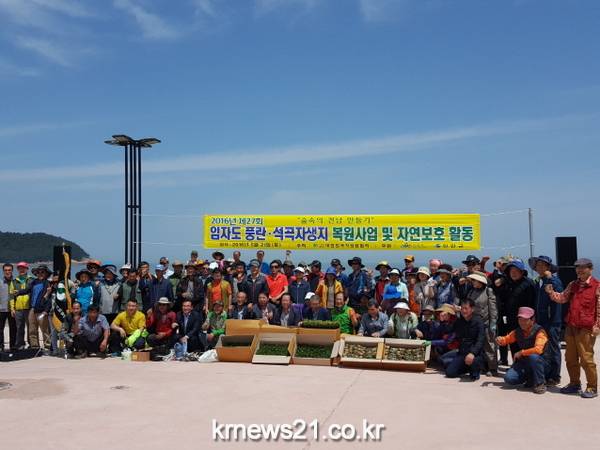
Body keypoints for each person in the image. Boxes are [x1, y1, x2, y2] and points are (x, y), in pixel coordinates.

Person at [546, 258, 599, 399]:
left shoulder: (597, 286)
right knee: (570, 358)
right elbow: (562, 298)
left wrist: (597, 326)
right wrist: (551, 293)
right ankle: (574, 384)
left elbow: (599, 309)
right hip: (571, 326)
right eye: (577, 268)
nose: (579, 270)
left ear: (590, 269)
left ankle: (592, 387)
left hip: (586, 328)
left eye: (583, 267)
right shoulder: (573, 284)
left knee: (586, 359)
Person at [496, 307, 550, 394]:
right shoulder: (517, 331)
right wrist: (500, 340)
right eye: (520, 320)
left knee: (533, 357)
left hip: (542, 364)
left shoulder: (540, 332)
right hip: (525, 363)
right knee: (509, 378)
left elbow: (538, 350)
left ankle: (540, 383)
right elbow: (507, 339)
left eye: (525, 320)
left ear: (533, 320)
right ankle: (530, 378)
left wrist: (521, 352)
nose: (522, 322)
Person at [528, 255, 564, 385]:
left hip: (552, 320)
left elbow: (560, 291)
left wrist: (550, 278)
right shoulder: (539, 281)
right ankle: (545, 373)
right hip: (540, 320)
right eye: (538, 265)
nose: (540, 267)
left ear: (548, 267)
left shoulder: (554, 280)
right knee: (542, 347)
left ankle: (555, 376)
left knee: (553, 347)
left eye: (543, 265)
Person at [496, 260, 536, 362]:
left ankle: (526, 366)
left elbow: (533, 304)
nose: (513, 273)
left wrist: (531, 320)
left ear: (522, 272)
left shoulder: (529, 284)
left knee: (525, 344)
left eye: (516, 270)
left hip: (525, 321)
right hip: (511, 319)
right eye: (511, 271)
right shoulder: (508, 283)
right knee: (513, 343)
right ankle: (516, 365)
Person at [463, 271, 498, 375]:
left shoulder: (488, 291)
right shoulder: (471, 292)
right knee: (478, 345)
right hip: (474, 323)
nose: (473, 282)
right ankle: (482, 366)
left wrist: (493, 322)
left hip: (486, 322)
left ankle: (493, 368)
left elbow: (493, 308)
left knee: (489, 346)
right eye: (473, 280)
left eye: (475, 280)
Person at [444, 298, 485, 381]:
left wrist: (472, 353)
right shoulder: (459, 321)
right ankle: (466, 367)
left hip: (475, 354)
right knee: (449, 372)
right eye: (462, 308)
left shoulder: (478, 321)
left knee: (473, 376)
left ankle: (477, 367)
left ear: (472, 309)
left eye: (466, 308)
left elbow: (480, 340)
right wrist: (445, 320)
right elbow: (448, 330)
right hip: (462, 353)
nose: (463, 311)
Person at [25, 264, 52, 350]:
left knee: (44, 329)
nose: (40, 274)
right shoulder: (34, 282)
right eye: (38, 272)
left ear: (46, 274)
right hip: (32, 308)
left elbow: (49, 299)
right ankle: (34, 346)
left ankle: (47, 346)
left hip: (42, 310)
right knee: (32, 329)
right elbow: (27, 290)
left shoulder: (48, 284)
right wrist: (18, 292)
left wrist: (46, 311)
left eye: (42, 272)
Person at [10, 262, 34, 349]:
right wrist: (12, 308)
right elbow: (11, 296)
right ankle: (20, 344)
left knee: (30, 328)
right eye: (20, 268)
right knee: (19, 327)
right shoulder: (14, 281)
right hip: (18, 308)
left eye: (23, 268)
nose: (21, 270)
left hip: (29, 308)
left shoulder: (32, 280)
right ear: (17, 270)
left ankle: (31, 344)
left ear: (27, 269)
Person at [0, 263, 17, 350]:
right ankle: (1, 346)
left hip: (13, 310)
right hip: (1, 309)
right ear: (3, 271)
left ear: (12, 271)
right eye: (6, 270)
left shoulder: (15, 282)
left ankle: (13, 346)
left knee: (13, 329)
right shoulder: (0, 282)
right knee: (0, 329)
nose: (7, 272)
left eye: (9, 270)